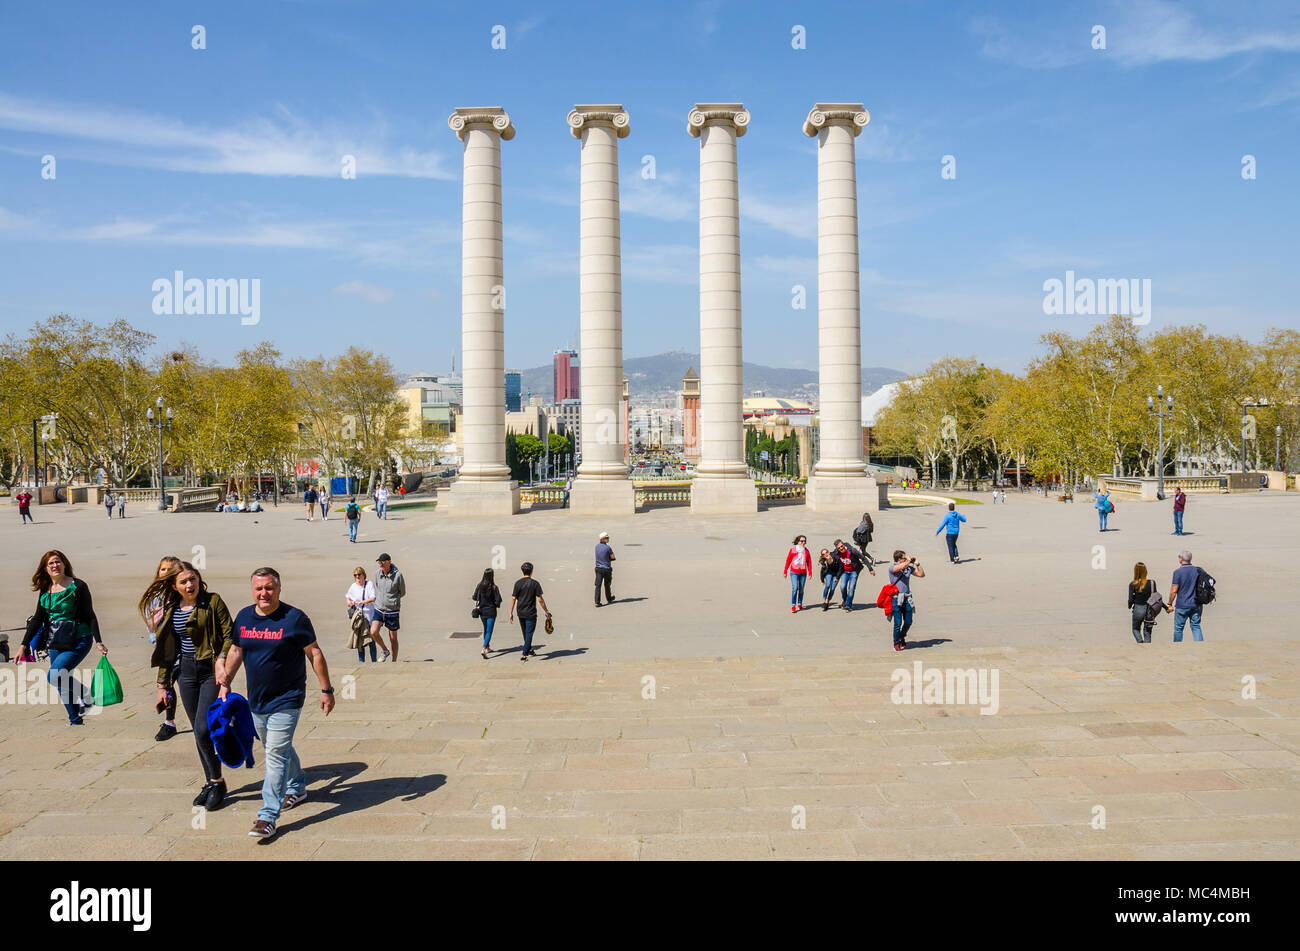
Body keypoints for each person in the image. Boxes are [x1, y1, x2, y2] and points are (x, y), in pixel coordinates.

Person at [218, 567, 333, 840]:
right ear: (252, 590)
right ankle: (298, 786)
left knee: (275, 755)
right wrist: (226, 682)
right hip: (256, 700)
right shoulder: (244, 617)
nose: (264, 593)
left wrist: (326, 689)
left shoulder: (295, 618)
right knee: (274, 747)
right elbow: (236, 650)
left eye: (269, 588)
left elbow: (314, 653)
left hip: (288, 698)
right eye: (258, 588)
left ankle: (267, 816)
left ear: (279, 589)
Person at [140, 561, 234, 810]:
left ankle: (217, 780)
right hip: (186, 673)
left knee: (204, 729)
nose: (189, 584)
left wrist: (222, 660)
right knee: (197, 731)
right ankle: (212, 781)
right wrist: (163, 684)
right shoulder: (171, 608)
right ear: (175, 586)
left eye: (192, 579)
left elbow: (229, 633)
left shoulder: (212, 601)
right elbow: (167, 650)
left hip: (210, 671)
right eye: (183, 581)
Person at [19, 550, 110, 725]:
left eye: (58, 562)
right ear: (45, 568)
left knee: (55, 675)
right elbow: (38, 618)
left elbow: (90, 614)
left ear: (65, 564)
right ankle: (75, 720)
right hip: (56, 640)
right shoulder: (46, 589)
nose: (55, 566)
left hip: (79, 639)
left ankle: (87, 697)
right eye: (51, 563)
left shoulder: (78, 586)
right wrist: (23, 645)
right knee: (62, 679)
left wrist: (98, 641)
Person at [146, 555, 183, 740]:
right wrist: (156, 642)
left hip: (186, 651)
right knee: (167, 686)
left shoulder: (183, 593)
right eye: (163, 569)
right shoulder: (154, 597)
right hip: (168, 653)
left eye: (171, 569)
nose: (166, 572)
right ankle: (169, 722)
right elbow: (151, 625)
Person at [508, 562, 551, 662]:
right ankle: (524, 653)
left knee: (525, 633)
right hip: (530, 612)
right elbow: (540, 599)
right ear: (532, 571)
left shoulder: (517, 583)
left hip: (520, 612)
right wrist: (546, 611)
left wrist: (511, 613)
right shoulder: (534, 583)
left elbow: (513, 598)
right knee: (529, 633)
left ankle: (530, 649)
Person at [888, 549, 925, 651]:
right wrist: (908, 561)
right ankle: (896, 643)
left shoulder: (908, 567)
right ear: (899, 559)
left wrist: (918, 564)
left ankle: (901, 636)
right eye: (904, 557)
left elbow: (921, 574)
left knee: (909, 621)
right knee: (898, 623)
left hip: (907, 597)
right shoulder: (893, 568)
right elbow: (900, 567)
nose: (906, 559)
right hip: (896, 598)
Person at [1165, 550, 1204, 642]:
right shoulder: (1198, 570)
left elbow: (1174, 591)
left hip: (1182, 605)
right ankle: (1200, 646)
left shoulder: (1178, 572)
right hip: (1196, 604)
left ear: (1181, 559)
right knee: (1196, 626)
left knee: (1178, 628)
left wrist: (1169, 603)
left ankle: (1177, 647)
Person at [370, 553, 404, 661]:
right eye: (379, 562)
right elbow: (378, 586)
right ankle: (385, 650)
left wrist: (393, 601)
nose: (380, 564)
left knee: (393, 638)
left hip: (392, 611)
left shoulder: (398, 575)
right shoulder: (377, 573)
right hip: (379, 608)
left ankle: (394, 661)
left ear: (389, 562)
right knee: (373, 632)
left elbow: (402, 592)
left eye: (382, 562)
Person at [346, 567, 378, 661]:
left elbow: (373, 598)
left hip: (369, 617)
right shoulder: (353, 586)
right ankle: (361, 662)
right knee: (360, 642)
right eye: (355, 575)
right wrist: (349, 602)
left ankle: (374, 661)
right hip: (359, 618)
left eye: (359, 575)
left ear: (363, 575)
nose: (357, 577)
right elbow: (348, 597)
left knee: (371, 640)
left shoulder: (369, 584)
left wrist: (362, 602)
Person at [831, 538, 873, 611]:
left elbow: (863, 558)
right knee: (842, 587)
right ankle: (845, 600)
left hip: (854, 571)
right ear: (837, 548)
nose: (841, 548)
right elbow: (829, 555)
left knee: (851, 588)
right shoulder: (836, 553)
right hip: (844, 572)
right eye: (839, 548)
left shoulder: (852, 550)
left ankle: (848, 605)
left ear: (843, 544)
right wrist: (822, 561)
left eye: (842, 546)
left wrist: (870, 569)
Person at [1126, 562, 1160, 644]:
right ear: (1145, 571)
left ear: (1135, 571)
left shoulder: (1133, 584)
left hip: (1138, 609)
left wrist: (1129, 606)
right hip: (1149, 610)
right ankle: (1148, 646)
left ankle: (1140, 642)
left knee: (1135, 629)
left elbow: (1130, 600)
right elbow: (1156, 598)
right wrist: (1166, 608)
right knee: (1147, 631)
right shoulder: (1152, 583)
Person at [472, 568, 502, 659]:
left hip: (482, 611)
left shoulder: (479, 585)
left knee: (486, 629)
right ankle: (484, 648)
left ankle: (487, 646)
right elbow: (498, 601)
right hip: (491, 611)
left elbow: (474, 597)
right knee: (489, 631)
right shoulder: (494, 587)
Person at [782, 534, 812, 612]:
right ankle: (793, 605)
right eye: (801, 541)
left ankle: (799, 604)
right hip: (794, 572)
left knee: (801, 589)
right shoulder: (793, 549)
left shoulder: (806, 551)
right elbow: (788, 560)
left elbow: (809, 562)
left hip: (803, 573)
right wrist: (785, 571)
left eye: (804, 541)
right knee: (795, 588)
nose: (803, 542)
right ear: (798, 542)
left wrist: (810, 573)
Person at [594, 531, 616, 607]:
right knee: (607, 584)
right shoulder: (608, 548)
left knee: (598, 585)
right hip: (606, 569)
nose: (608, 539)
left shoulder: (596, 546)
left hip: (598, 569)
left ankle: (597, 602)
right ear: (603, 539)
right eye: (607, 538)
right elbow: (613, 557)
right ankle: (609, 598)